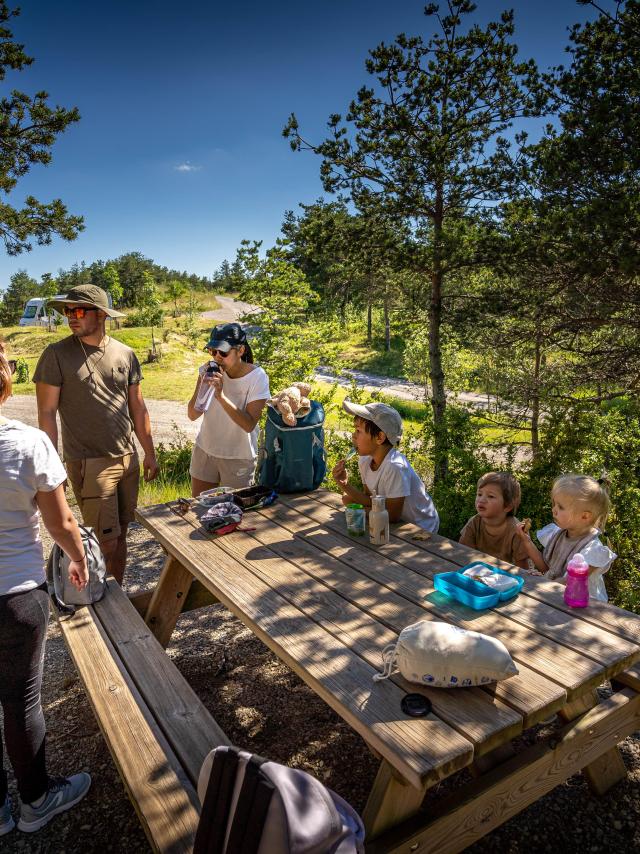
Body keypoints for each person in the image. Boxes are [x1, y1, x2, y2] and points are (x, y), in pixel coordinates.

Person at [0, 344, 91, 836]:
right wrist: (78, 559)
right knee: (20, 701)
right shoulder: (28, 442)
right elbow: (62, 522)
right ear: (6, 380)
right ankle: (36, 800)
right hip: (16, 591)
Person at [33, 284, 159, 585]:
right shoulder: (56, 355)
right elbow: (46, 414)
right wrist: (51, 468)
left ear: (101, 315)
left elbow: (138, 407)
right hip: (89, 463)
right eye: (67, 311)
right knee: (103, 541)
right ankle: (98, 602)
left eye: (77, 310)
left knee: (123, 533)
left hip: (127, 459)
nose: (70, 317)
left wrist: (149, 453)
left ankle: (117, 596)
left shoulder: (125, 354)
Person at [187, 323, 270, 496]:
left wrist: (221, 396)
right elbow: (193, 414)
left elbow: (248, 425)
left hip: (238, 457)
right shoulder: (208, 370)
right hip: (205, 450)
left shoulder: (257, 377)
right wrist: (203, 387)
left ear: (240, 351)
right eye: (212, 351)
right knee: (199, 509)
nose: (217, 357)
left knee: (234, 514)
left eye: (223, 352)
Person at [332, 401, 439, 532]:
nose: (353, 435)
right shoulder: (364, 460)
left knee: (349, 502)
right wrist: (344, 485)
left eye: (358, 430)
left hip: (420, 528)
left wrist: (357, 510)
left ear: (379, 437)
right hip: (389, 522)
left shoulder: (395, 467)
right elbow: (371, 500)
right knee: (347, 498)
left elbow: (392, 515)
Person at [515, 474, 615, 601]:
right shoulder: (558, 535)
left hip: (583, 609)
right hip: (556, 599)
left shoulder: (592, 549)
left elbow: (567, 582)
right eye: (554, 504)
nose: (553, 510)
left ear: (584, 516)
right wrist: (526, 541)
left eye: (560, 507)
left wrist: (542, 582)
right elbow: (546, 568)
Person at [459, 472, 531, 568]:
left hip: (507, 578)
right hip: (478, 573)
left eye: (490, 496)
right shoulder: (475, 522)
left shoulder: (517, 530)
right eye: (479, 494)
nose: (481, 500)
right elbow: (462, 552)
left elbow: (523, 569)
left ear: (508, 506)